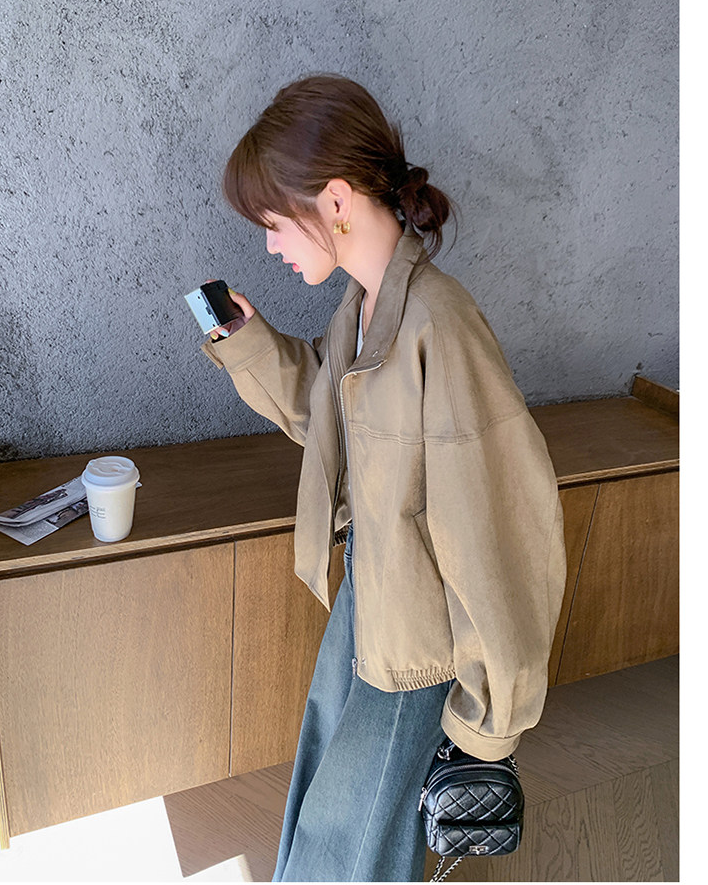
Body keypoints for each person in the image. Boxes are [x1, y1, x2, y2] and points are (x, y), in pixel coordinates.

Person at [199, 74, 567, 882]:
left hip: (419, 636)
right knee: (327, 804)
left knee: (348, 841)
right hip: (372, 600)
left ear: (334, 200)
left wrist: (487, 723)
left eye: (273, 222)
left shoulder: (440, 323)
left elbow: (500, 526)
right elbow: (337, 424)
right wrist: (250, 344)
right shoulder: (362, 308)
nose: (270, 245)